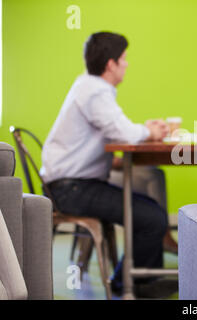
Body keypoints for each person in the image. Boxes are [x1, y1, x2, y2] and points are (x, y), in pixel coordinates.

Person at [41, 32, 177, 298]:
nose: (127, 64)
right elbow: (125, 132)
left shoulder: (88, 87)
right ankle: (131, 284)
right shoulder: (94, 91)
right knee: (152, 217)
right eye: (124, 59)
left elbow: (110, 136)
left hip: (70, 183)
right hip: (71, 189)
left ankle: (138, 278)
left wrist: (143, 132)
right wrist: (149, 131)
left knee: (150, 196)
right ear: (111, 64)